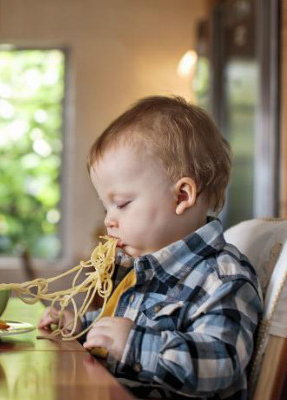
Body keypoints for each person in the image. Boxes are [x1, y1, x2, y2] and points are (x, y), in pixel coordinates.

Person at [38, 95, 262, 400]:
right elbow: (121, 328)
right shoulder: (145, 267)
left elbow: (221, 364)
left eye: (121, 204)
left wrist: (135, 344)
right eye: (106, 207)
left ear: (181, 196)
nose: (109, 221)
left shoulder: (222, 278)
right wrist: (81, 326)